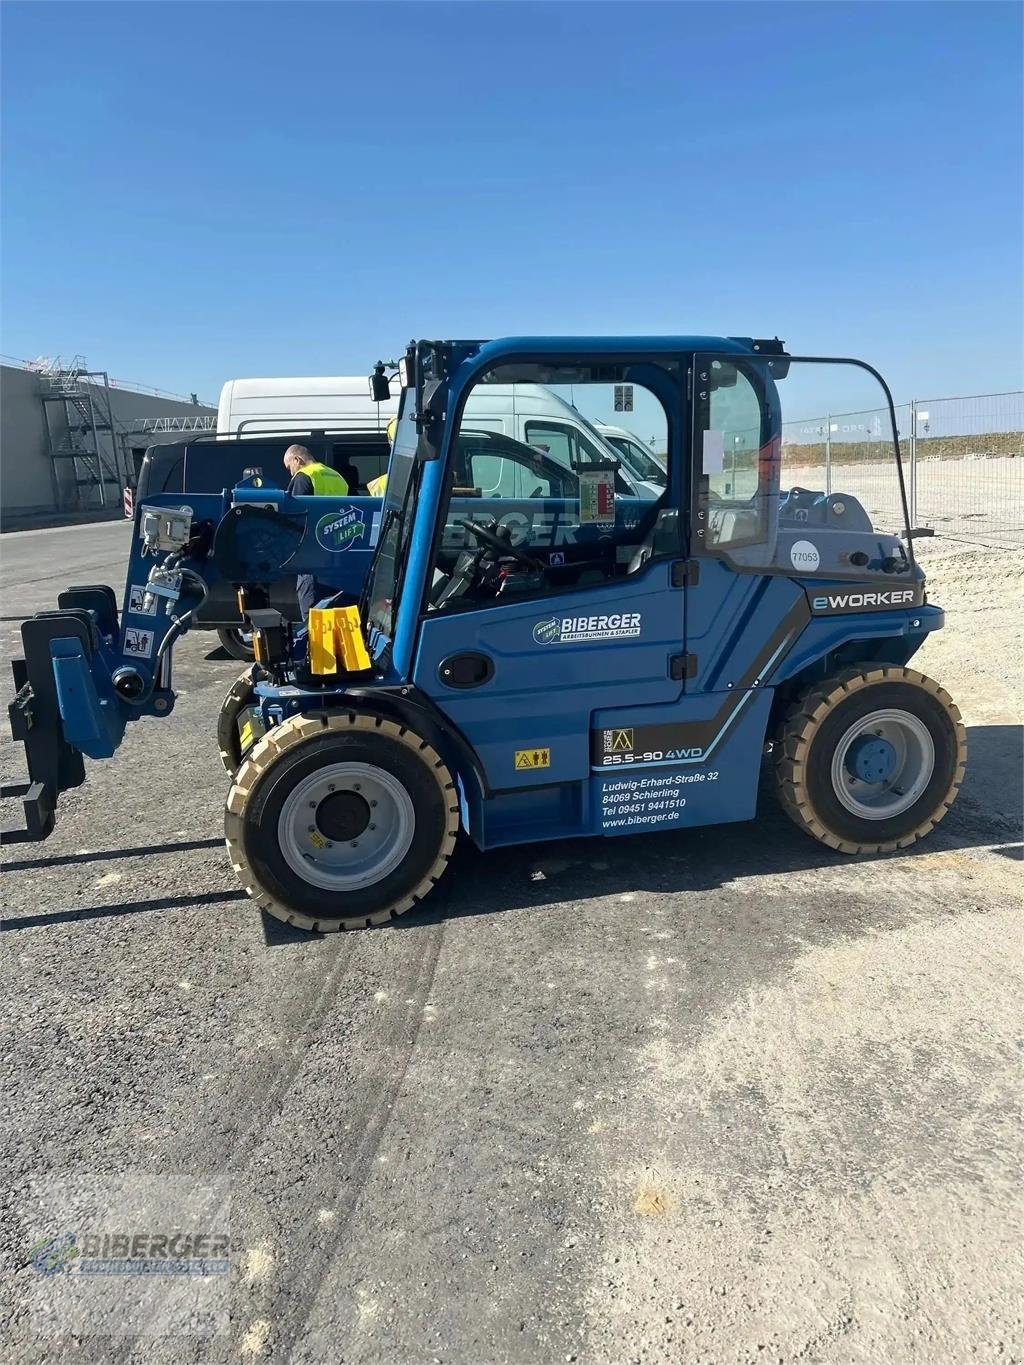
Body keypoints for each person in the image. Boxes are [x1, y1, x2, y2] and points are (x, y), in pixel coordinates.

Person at [281, 444, 350, 622]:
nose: (290, 473)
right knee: (336, 615)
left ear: (298, 460)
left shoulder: (304, 476)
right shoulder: (338, 477)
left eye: (289, 467)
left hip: (312, 557)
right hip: (337, 557)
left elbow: (295, 517)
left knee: (312, 617)